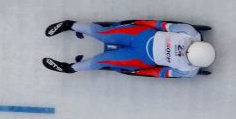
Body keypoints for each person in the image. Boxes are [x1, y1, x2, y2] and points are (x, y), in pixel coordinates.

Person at [42, 20, 216, 78]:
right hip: (140, 35)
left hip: (139, 58)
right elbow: (158, 24)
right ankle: (70, 25)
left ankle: (70, 68)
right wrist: (134, 23)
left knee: (101, 61)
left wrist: (138, 71)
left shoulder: (188, 70)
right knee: (104, 33)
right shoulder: (187, 32)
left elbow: (160, 73)